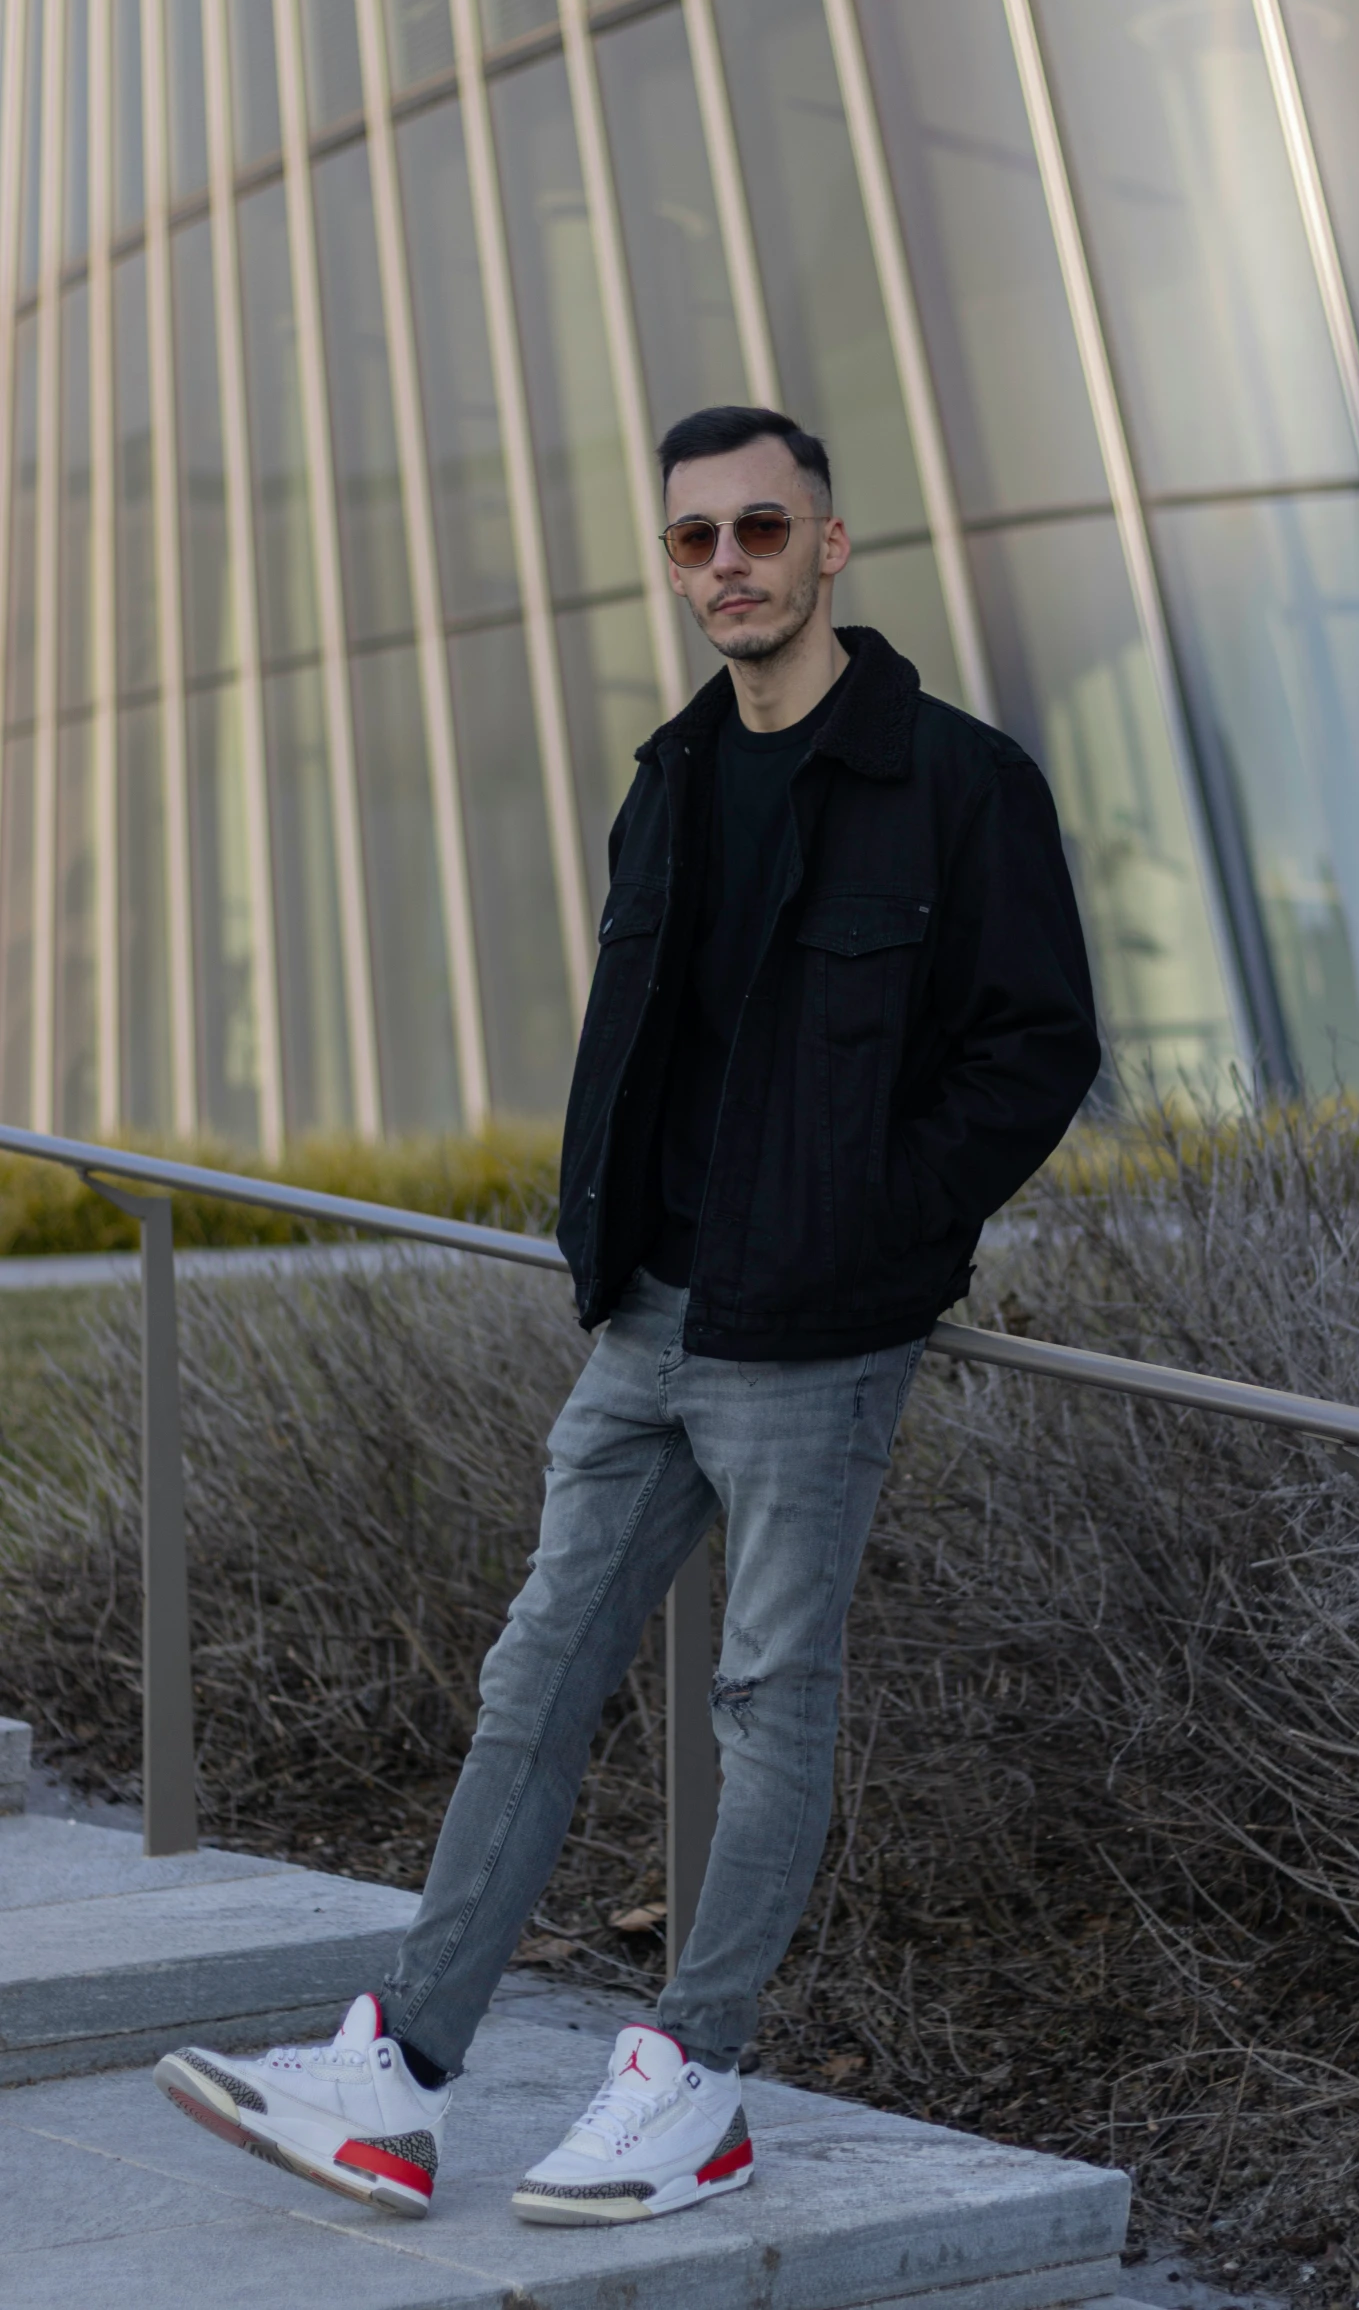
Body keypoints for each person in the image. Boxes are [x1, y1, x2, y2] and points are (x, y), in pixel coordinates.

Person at [152, 406, 1101, 2226]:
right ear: (671, 564)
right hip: (645, 1318)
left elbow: (1033, 1048)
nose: (726, 564)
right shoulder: (670, 771)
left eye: (760, 528)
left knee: (767, 1694)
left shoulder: (955, 780)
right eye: (692, 540)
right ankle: (398, 2069)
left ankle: (695, 2074)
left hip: (813, 1333)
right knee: (534, 1672)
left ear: (831, 545)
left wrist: (873, 1233)